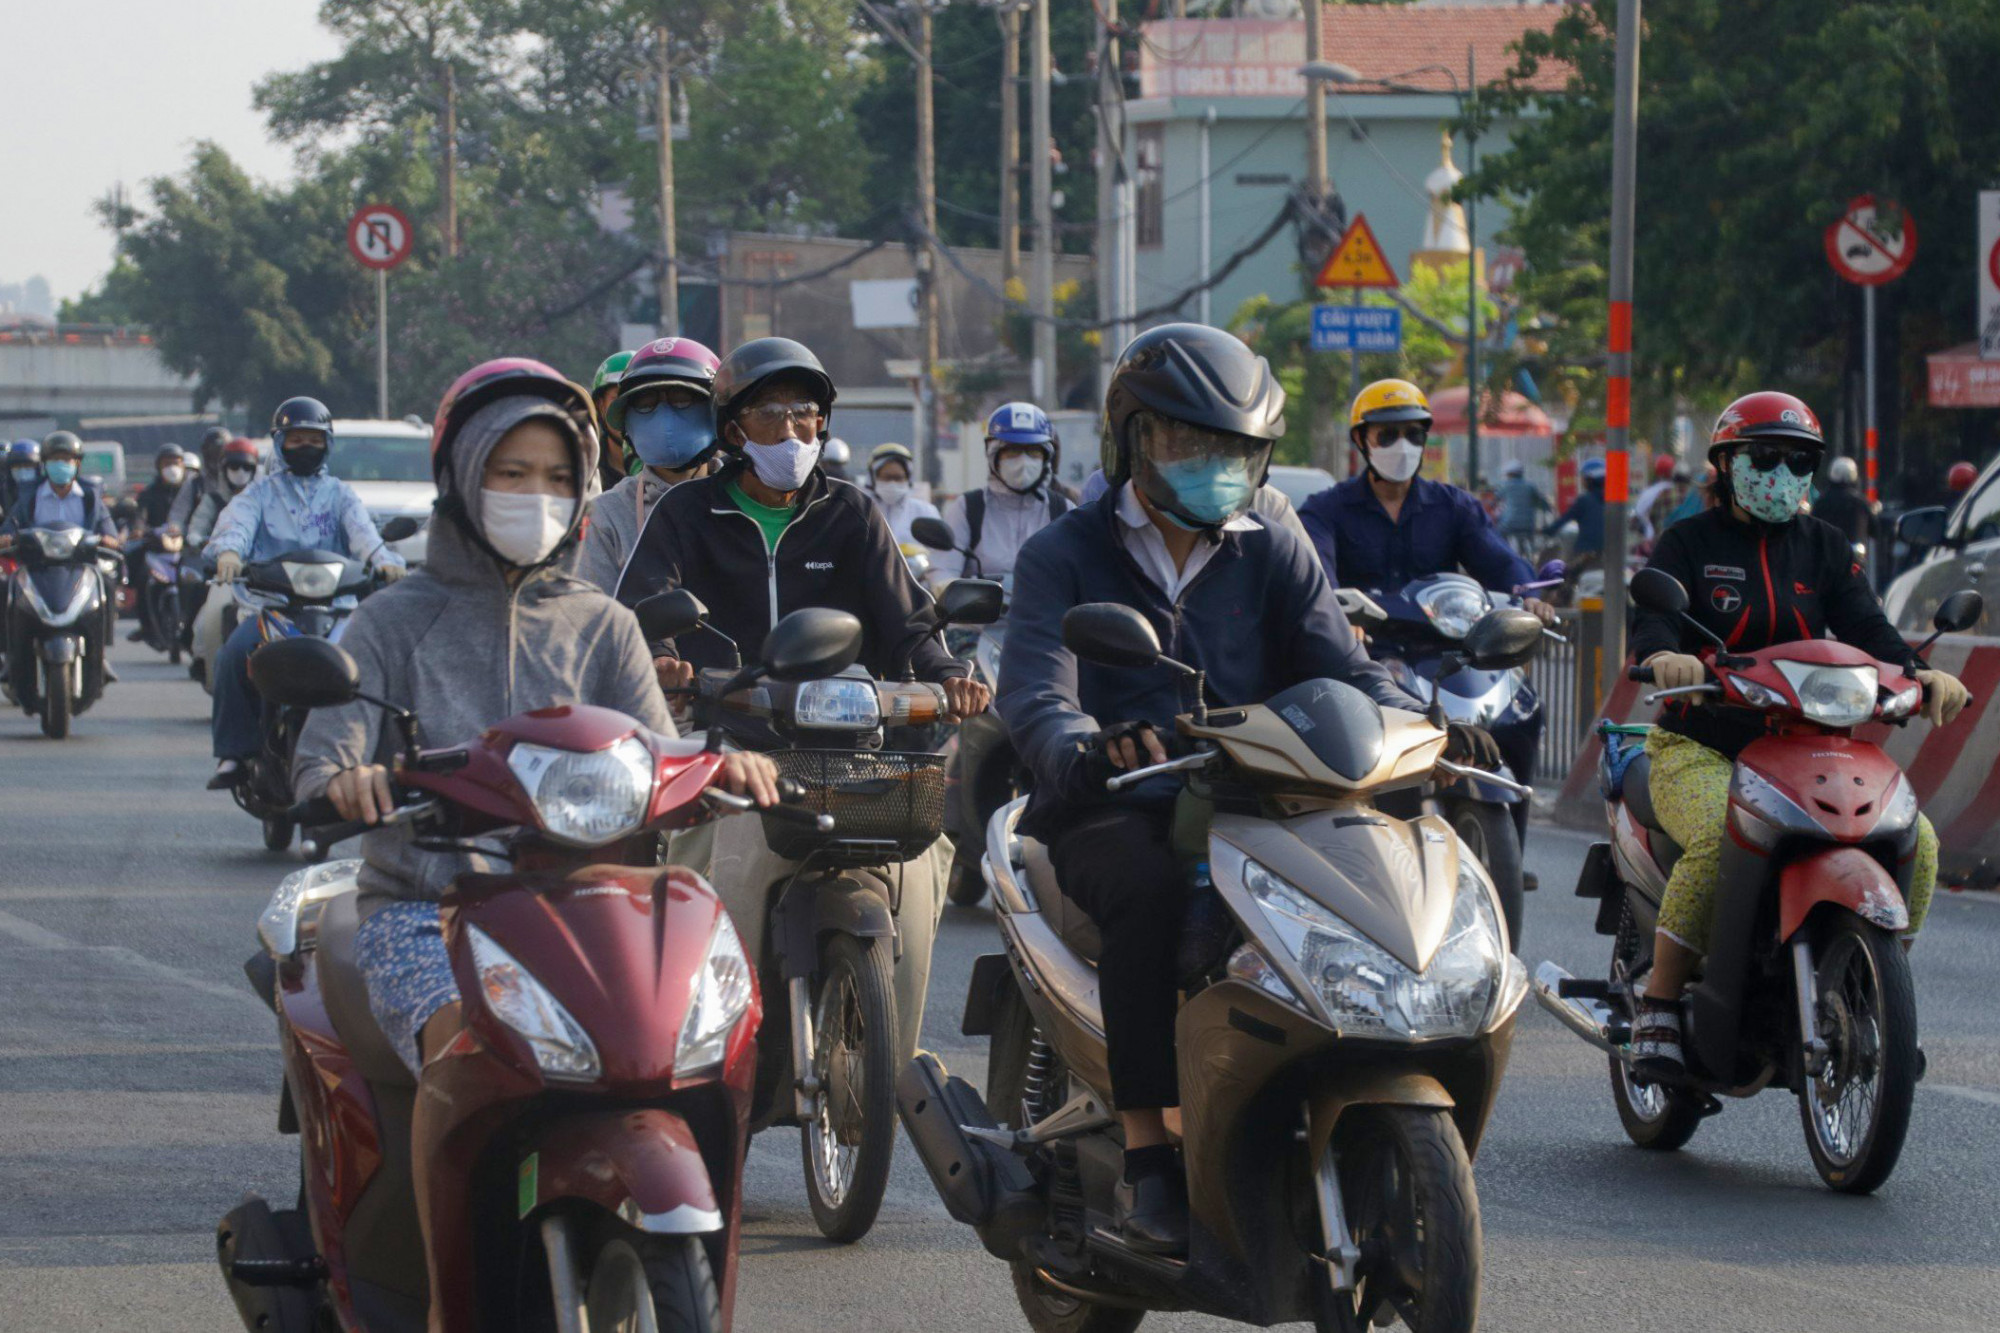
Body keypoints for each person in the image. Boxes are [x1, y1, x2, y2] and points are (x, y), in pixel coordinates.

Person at [291, 357, 778, 1310]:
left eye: (557, 477)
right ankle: (447, 1297)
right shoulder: (393, 621)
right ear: (462, 476)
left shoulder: (604, 624)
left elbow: (657, 745)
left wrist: (724, 765)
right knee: (460, 1043)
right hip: (428, 908)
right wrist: (346, 778)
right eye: (511, 473)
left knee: (700, 1033)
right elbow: (325, 752)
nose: (536, 496)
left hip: (593, 905)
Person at [998, 325, 1493, 1253]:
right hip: (1119, 800)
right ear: (1133, 440)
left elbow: (1343, 663)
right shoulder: (1062, 553)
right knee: (1147, 901)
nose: (1212, 465)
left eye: (1233, 450)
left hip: (1266, 796)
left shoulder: (1273, 538)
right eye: (1188, 443)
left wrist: (1419, 724)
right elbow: (1034, 688)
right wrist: (1087, 745)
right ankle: (1150, 1157)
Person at [1625, 391, 1969, 1080]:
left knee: (1920, 844)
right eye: (1764, 457)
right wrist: (1668, 655)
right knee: (1719, 840)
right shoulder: (1688, 542)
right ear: (1725, 463)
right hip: (1702, 743)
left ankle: (1875, 987)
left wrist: (1923, 675)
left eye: (1797, 460)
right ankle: (1659, 1005)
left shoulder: (1827, 546)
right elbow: (1655, 622)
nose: (1780, 473)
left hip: (1810, 749)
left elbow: (1871, 630)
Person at [614, 336, 985, 711]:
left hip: (845, 729)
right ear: (732, 432)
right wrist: (662, 659)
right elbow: (648, 602)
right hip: (724, 727)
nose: (789, 430)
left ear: (821, 423)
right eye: (768, 412)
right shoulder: (686, 512)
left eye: (803, 411)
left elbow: (907, 619)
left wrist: (947, 675)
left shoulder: (851, 512)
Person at [205, 397, 407, 790]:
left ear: (327, 444)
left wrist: (385, 561)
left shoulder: (340, 494)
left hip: (338, 608)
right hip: (272, 607)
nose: (304, 446)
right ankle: (233, 753)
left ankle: (384, 750)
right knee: (231, 655)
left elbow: (364, 534)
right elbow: (238, 525)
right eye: (295, 439)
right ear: (279, 443)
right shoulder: (260, 494)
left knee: (379, 667)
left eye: (313, 439)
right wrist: (229, 552)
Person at [576, 337, 721, 592]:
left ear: (716, 412)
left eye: (681, 399)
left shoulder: (750, 501)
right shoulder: (607, 517)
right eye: (645, 404)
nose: (664, 418)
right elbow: (595, 621)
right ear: (626, 423)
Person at [0, 432, 123, 706]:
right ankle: (10, 656)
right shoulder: (30, 496)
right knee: (6, 588)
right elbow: (11, 525)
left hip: (80, 568)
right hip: (37, 567)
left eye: (66, 459)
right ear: (45, 464)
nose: (61, 465)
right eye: (55, 459)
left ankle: (100, 654)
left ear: (77, 464)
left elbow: (109, 530)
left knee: (108, 582)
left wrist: (110, 539)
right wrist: (7, 536)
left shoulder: (90, 496)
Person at [927, 402, 1070, 589]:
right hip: (979, 616)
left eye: (1033, 452)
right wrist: (949, 589)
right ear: (993, 454)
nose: (1023, 461)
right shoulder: (968, 508)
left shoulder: (1063, 510)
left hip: (1045, 617)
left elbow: (1081, 574)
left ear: (1046, 458)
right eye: (1012, 451)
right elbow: (943, 568)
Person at [1080, 462, 1314, 545]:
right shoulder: (1103, 493)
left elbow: (1315, 624)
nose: (1203, 454)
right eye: (1178, 433)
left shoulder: (1272, 515)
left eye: (1227, 442)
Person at [125, 444, 189, 642]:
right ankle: (146, 626)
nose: (172, 468)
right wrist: (138, 529)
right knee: (143, 576)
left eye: (176, 463)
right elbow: (140, 515)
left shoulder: (191, 490)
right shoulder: (149, 493)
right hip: (156, 547)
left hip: (187, 547)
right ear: (159, 467)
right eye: (167, 463)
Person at [865, 442, 940, 545]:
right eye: (887, 477)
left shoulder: (925, 512)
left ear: (907, 479)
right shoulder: (862, 510)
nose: (892, 483)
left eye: (898, 478)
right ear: (873, 478)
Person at [588, 349, 636, 492]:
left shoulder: (671, 467)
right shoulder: (585, 471)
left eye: (641, 400)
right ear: (600, 405)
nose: (630, 411)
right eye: (618, 400)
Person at [1812, 454, 1874, 551]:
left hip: (1828, 552)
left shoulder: (1822, 501)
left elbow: (1813, 528)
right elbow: (1874, 530)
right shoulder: (1860, 501)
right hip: (1854, 552)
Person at [1496, 457, 1553, 553]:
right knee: (1530, 539)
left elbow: (1495, 499)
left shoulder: (1505, 486)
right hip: (1528, 525)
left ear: (1509, 474)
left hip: (1509, 524)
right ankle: (1531, 554)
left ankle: (1503, 554)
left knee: (1497, 534)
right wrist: (1547, 508)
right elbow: (1541, 503)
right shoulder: (1530, 486)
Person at [2, 440, 42, 520]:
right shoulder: (4, 492)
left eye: (28, 466)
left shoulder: (46, 492)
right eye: (17, 466)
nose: (22, 470)